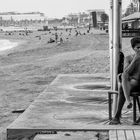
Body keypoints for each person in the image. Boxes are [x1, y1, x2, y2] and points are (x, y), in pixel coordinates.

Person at [110, 36, 140, 124]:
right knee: (123, 76)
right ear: (133, 48)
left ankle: (117, 116)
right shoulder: (129, 58)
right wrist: (135, 60)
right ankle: (128, 101)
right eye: (138, 47)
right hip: (132, 84)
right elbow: (126, 72)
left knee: (122, 88)